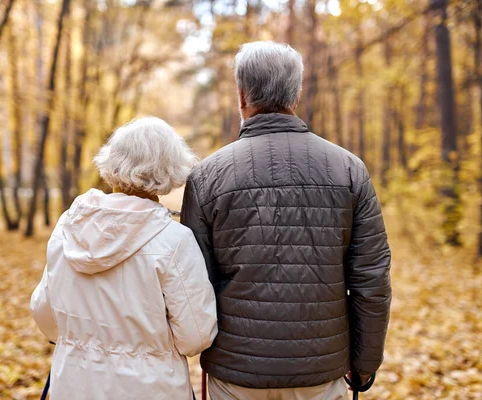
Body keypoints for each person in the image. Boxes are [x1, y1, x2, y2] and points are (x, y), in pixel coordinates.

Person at [181, 41, 391, 400]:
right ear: (295, 96)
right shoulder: (349, 169)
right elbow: (371, 279)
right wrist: (366, 360)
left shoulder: (206, 177)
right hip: (320, 374)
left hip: (236, 375)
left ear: (242, 95)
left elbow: (194, 282)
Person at [30, 117, 218, 400]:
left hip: (73, 384)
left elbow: (44, 314)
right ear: (171, 170)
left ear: (112, 162)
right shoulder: (174, 240)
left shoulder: (67, 228)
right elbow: (196, 336)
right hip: (152, 389)